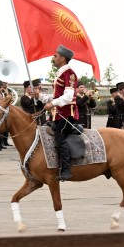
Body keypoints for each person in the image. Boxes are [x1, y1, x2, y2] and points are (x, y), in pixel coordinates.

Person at [42, 45, 80, 181]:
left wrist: (52, 103)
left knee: (59, 138)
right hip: (58, 114)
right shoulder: (60, 73)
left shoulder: (69, 74)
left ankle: (66, 170)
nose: (53, 58)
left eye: (55, 56)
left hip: (66, 115)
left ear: (63, 58)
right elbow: (56, 95)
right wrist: (41, 97)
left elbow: (68, 97)